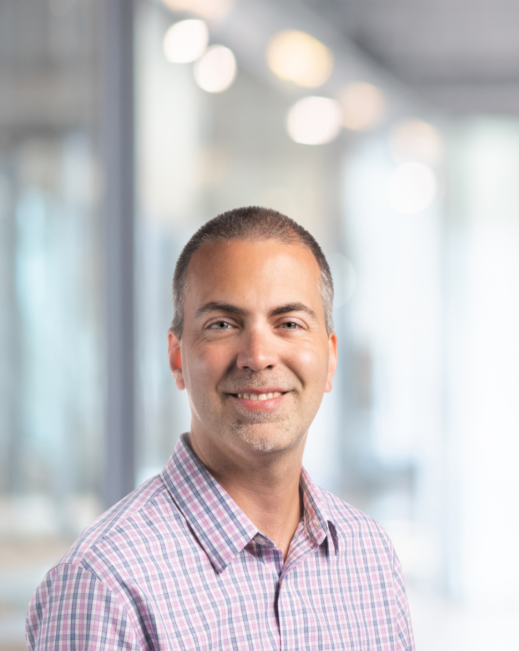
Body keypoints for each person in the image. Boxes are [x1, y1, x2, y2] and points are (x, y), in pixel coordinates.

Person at [26, 207, 414, 650]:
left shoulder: (371, 557)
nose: (258, 355)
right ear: (177, 359)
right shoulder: (104, 583)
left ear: (330, 359)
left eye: (289, 323)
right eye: (223, 325)